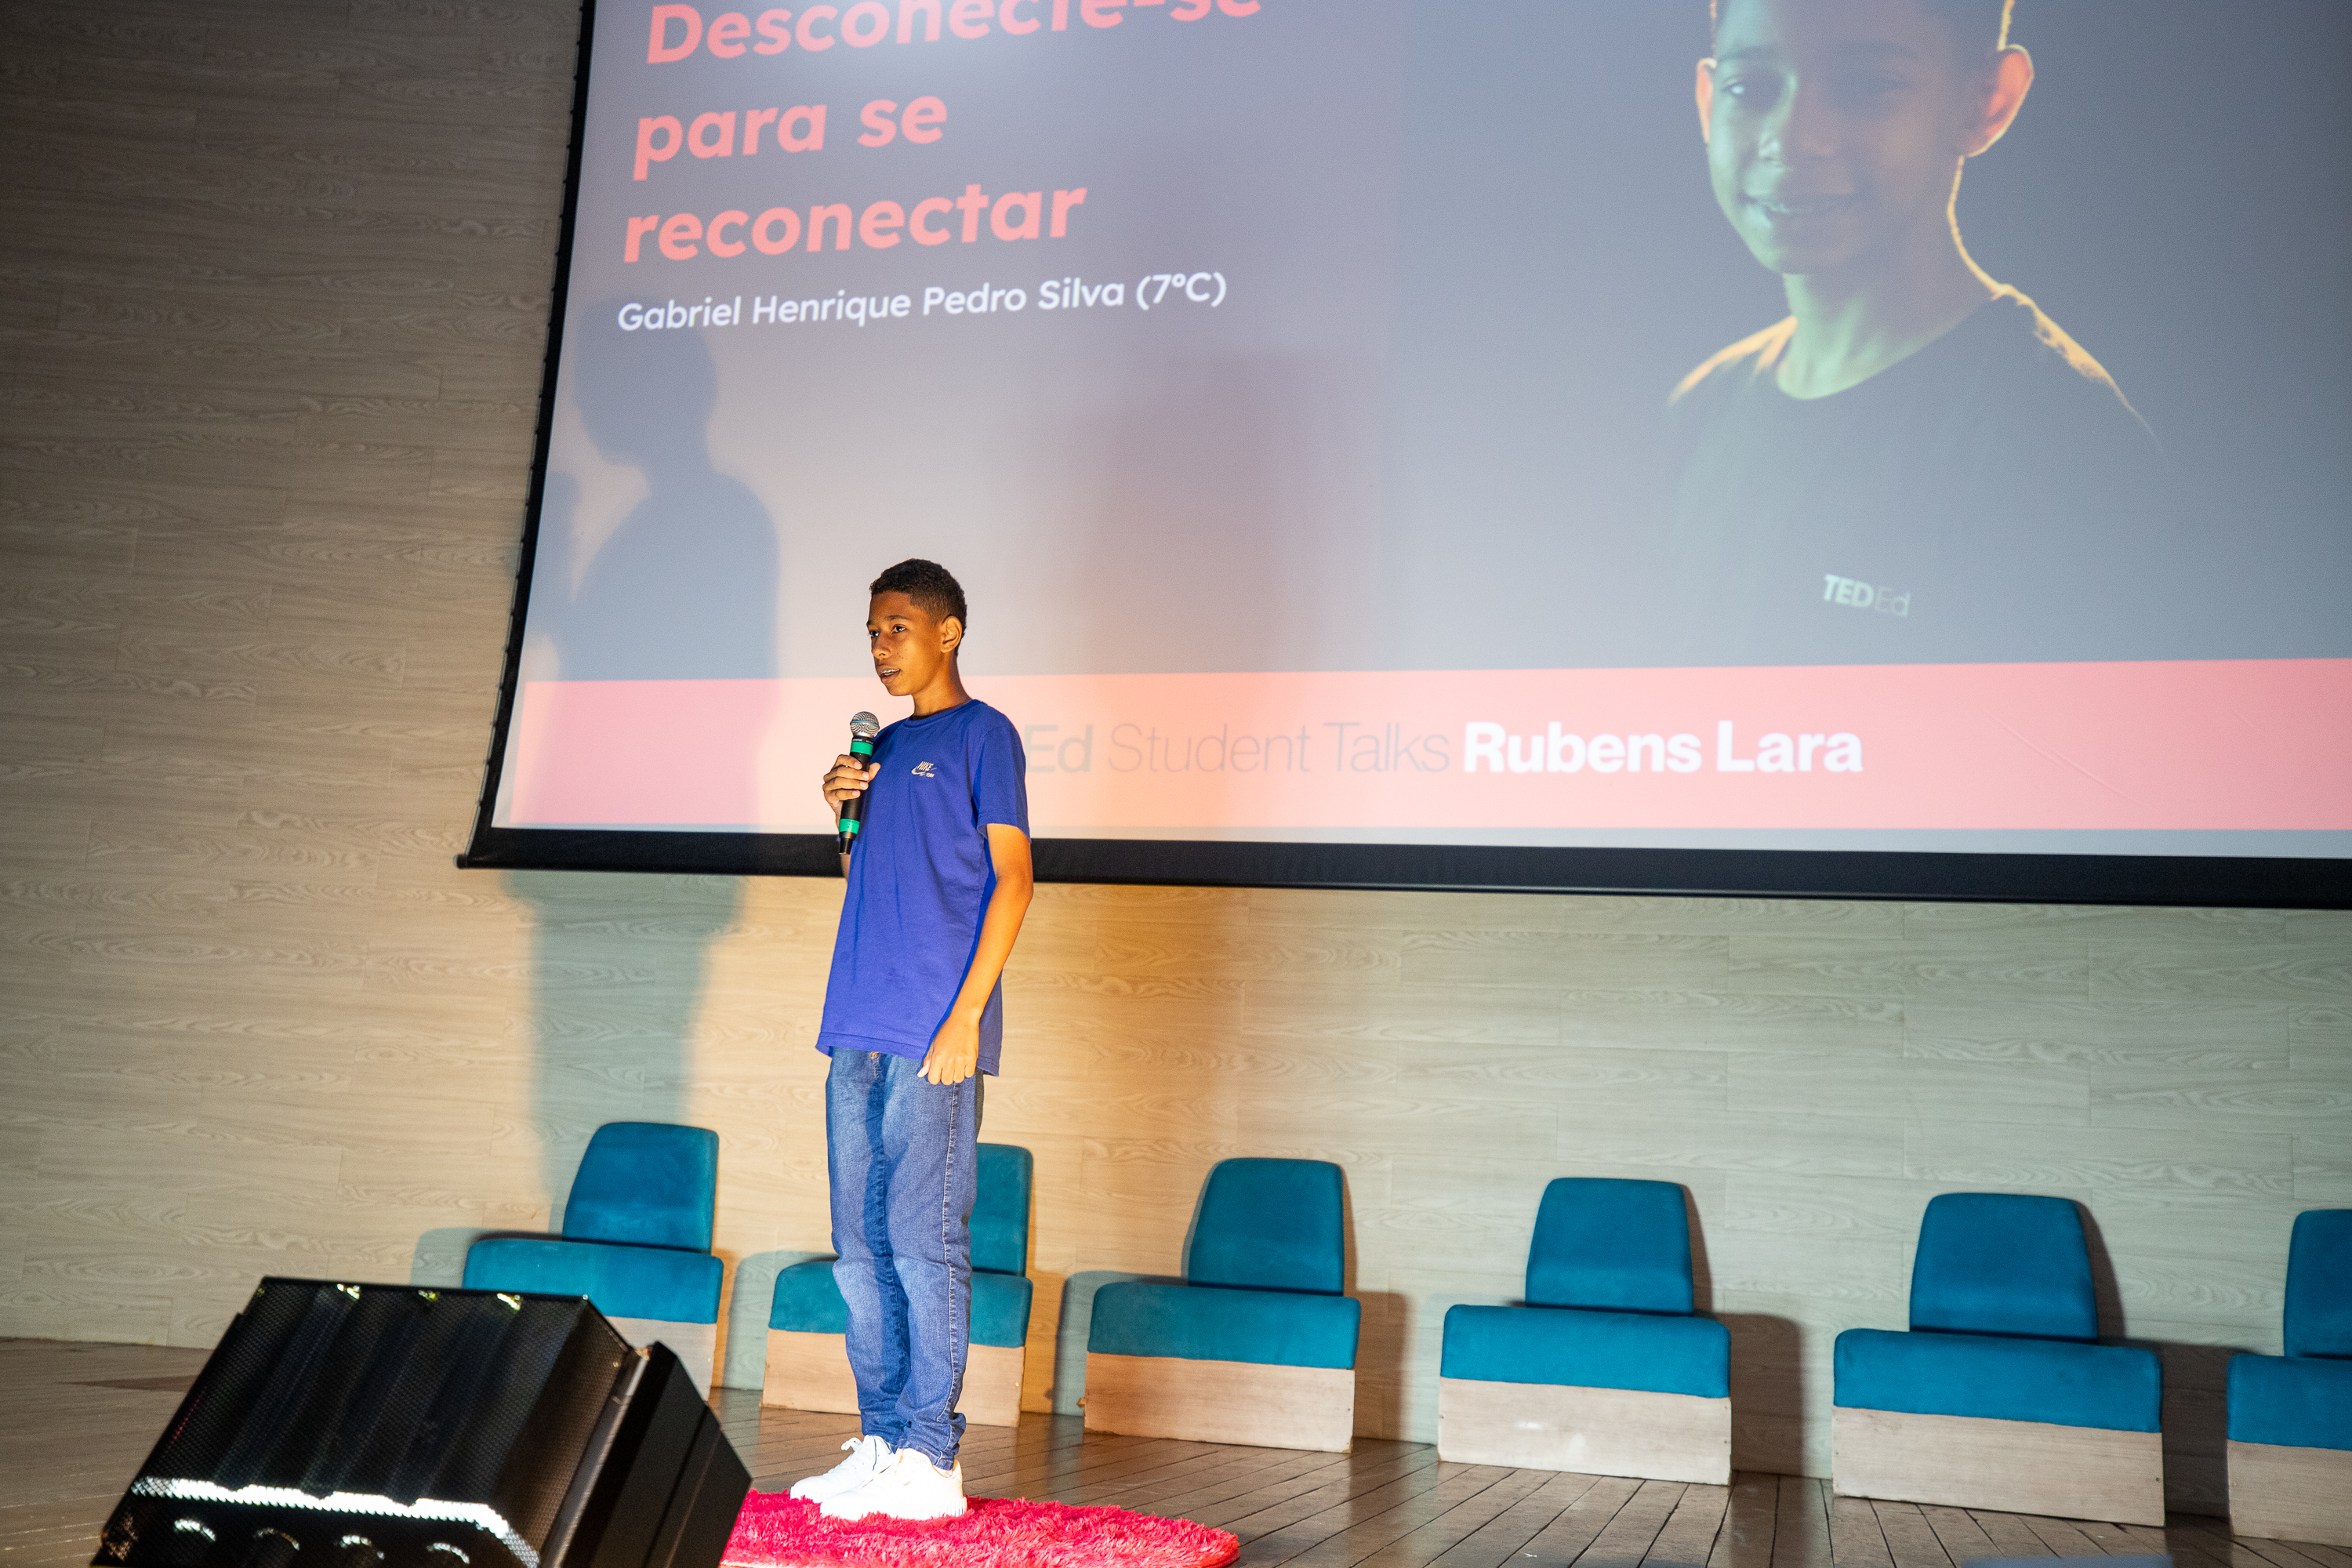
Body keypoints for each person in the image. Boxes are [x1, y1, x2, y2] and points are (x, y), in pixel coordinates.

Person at [1665, 0, 2174, 666]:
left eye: (1866, 86)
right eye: (1752, 89)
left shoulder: (2060, 449)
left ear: (1985, 101)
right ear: (1708, 102)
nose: (1792, 138)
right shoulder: (1702, 410)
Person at [789, 558, 1033, 1521]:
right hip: (857, 1020)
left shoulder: (984, 734)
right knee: (859, 1248)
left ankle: (932, 1455)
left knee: (923, 1241)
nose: (881, 646)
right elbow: (871, 870)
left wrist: (967, 1014)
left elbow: (1014, 877)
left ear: (947, 631)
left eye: (897, 627)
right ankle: (884, 1439)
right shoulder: (882, 748)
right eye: (872, 632)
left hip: (934, 1028)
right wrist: (841, 812)